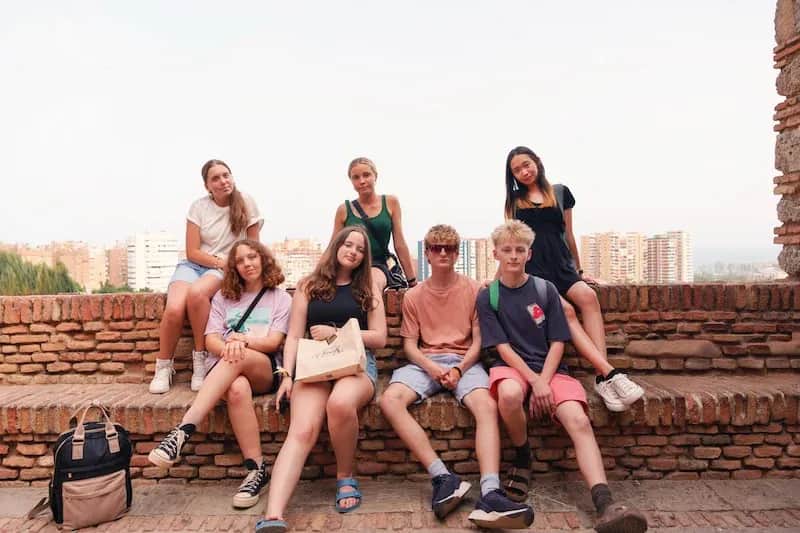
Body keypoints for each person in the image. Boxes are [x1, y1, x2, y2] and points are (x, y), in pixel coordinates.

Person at [477, 220, 648, 533]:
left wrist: (544, 378)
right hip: (512, 367)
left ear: (529, 254)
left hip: (551, 367)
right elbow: (502, 347)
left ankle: (604, 501)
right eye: (507, 250)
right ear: (496, 254)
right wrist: (534, 381)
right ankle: (523, 455)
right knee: (509, 395)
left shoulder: (545, 289)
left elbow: (558, 340)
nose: (513, 256)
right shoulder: (489, 296)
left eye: (520, 250)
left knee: (578, 420)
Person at [380, 224, 533, 529]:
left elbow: (478, 339)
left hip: (464, 361)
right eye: (436, 248)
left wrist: (458, 369)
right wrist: (433, 368)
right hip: (427, 361)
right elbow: (409, 344)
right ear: (427, 253)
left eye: (449, 248)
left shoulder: (473, 289)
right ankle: (443, 477)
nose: (442, 254)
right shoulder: (414, 295)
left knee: (487, 406)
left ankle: (490, 492)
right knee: (389, 400)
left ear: (456, 253)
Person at [256, 226, 386, 533]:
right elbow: (293, 337)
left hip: (355, 362)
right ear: (336, 246)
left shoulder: (367, 287)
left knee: (340, 405)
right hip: (314, 363)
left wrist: (338, 332)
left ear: (364, 257)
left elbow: (380, 337)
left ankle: (345, 477)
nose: (353, 251)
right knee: (301, 430)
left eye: (360, 249)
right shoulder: (308, 286)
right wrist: (286, 375)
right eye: (348, 244)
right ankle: (273, 515)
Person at [148, 239, 291, 509]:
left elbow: (274, 342)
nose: (247, 264)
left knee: (238, 355)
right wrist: (230, 346)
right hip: (227, 368)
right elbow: (211, 340)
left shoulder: (279, 297)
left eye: (252, 257)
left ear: (263, 259)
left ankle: (183, 430)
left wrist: (240, 341)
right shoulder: (224, 297)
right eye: (240, 260)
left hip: (262, 368)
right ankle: (256, 470)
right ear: (233, 267)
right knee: (236, 389)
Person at [503, 146, 643, 412]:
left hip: (562, 266)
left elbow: (568, 233)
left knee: (588, 298)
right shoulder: (514, 202)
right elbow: (513, 241)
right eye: (516, 170)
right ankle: (610, 374)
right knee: (566, 311)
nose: (524, 171)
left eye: (526, 164)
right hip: (536, 273)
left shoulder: (559, 192)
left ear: (537, 162)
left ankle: (603, 378)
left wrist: (578, 271)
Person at [150, 159, 263, 394]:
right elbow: (192, 251)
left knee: (198, 293)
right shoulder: (198, 207)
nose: (223, 181)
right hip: (194, 265)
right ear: (207, 186)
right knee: (173, 309)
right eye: (216, 178)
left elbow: (254, 247)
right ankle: (163, 367)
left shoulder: (247, 203)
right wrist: (218, 261)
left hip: (223, 269)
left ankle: (200, 361)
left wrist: (230, 266)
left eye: (226, 175)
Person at [330, 157, 416, 292]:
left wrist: (412, 281)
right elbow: (333, 247)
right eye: (356, 177)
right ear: (351, 182)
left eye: (366, 175)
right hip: (352, 265)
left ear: (375, 176)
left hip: (379, 264)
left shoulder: (390, 202)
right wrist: (319, 275)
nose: (362, 181)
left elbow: (399, 243)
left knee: (372, 284)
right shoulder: (344, 210)